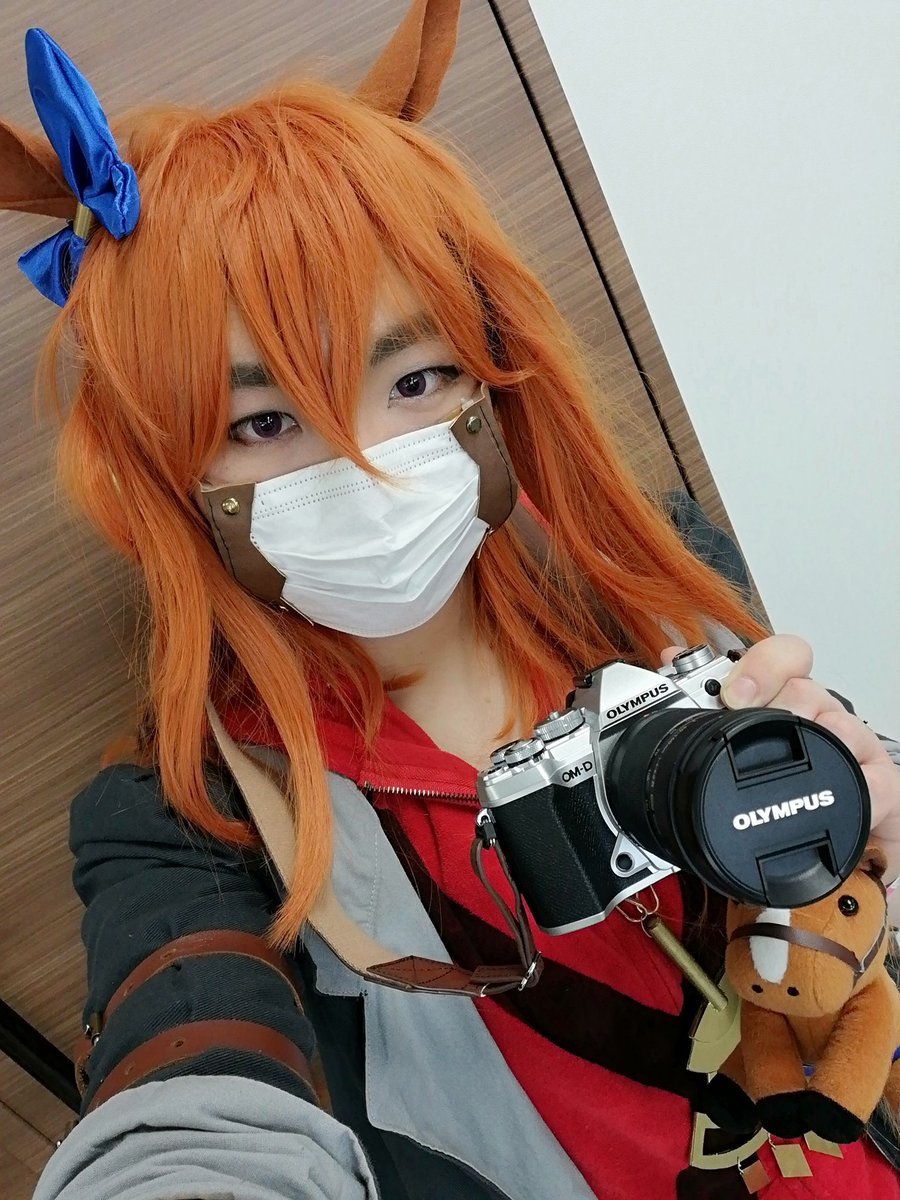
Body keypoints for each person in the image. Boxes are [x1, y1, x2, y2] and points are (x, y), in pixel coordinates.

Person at [7, 2, 899, 1197]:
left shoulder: (654, 577)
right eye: (264, 423)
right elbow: (196, 1109)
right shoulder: (184, 820)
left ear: (490, 373)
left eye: (416, 378)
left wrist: (862, 823)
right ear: (174, 475)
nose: (369, 465)